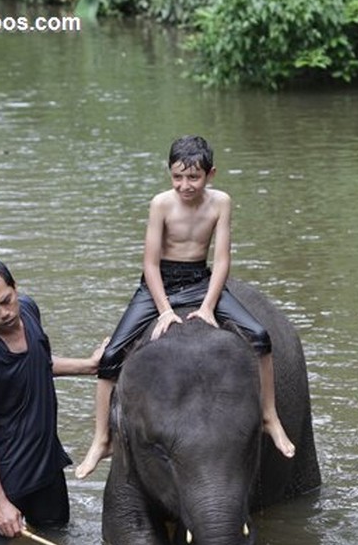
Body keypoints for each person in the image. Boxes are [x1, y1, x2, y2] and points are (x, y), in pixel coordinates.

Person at [75, 134, 295, 479]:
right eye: (177, 177)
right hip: (158, 284)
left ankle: (269, 416)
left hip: (200, 280)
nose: (185, 185)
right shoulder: (161, 204)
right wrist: (164, 310)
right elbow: (149, 264)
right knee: (110, 357)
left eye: (193, 177)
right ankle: (102, 438)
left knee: (260, 336)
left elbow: (221, 260)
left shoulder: (221, 202)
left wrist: (208, 307)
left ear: (211, 174)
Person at [0, 259, 106, 539]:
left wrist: (89, 366)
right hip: (7, 482)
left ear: (15, 288)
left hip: (47, 468)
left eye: (6, 300)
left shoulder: (28, 309)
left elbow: (40, 363)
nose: (4, 313)